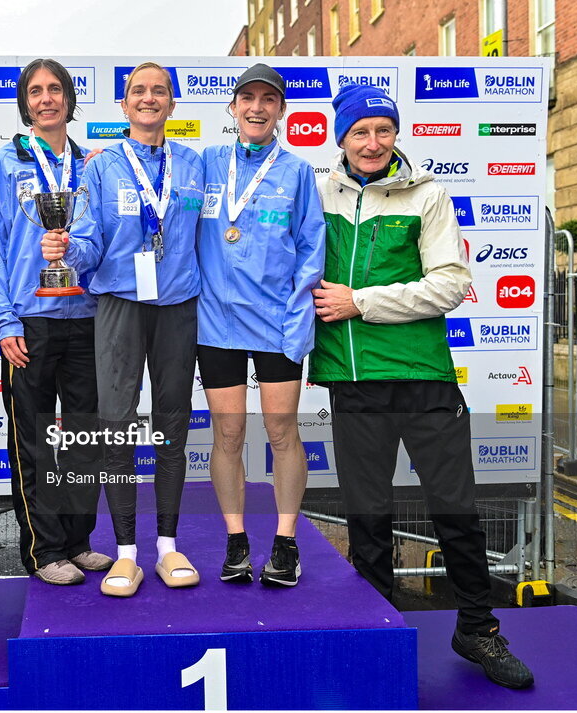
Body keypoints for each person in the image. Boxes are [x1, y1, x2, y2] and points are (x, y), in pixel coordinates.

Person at [308, 83, 534, 689]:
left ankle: (478, 629)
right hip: (353, 379)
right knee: (368, 514)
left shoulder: (428, 194)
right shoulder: (317, 190)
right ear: (342, 137)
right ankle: (378, 626)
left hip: (424, 374)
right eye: (361, 131)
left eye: (383, 130)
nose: (373, 142)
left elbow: (451, 284)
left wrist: (360, 302)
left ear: (395, 134)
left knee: (455, 510)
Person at [43, 62, 204, 597]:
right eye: (139, 91)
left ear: (173, 104)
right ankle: (127, 553)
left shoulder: (194, 164)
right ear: (124, 105)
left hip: (178, 305)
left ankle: (168, 545)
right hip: (117, 304)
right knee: (115, 427)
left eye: (160, 91)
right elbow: (90, 242)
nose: (149, 99)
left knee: (172, 425)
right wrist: (68, 250)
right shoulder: (102, 166)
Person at [0, 59, 112, 586]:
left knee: (83, 437)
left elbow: (103, 241)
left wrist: (75, 251)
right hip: (28, 322)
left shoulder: (93, 165)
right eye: (35, 91)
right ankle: (43, 549)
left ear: (69, 98)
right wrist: (4, 320)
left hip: (85, 317)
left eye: (55, 89)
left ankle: (78, 542)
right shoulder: (5, 164)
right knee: (32, 440)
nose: (46, 99)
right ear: (25, 102)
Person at [196, 64, 324, 586]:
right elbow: (156, 179)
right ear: (232, 107)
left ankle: (286, 542)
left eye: (267, 100)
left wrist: (298, 323)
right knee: (227, 433)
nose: (256, 107)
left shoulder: (296, 172)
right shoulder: (205, 162)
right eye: (246, 97)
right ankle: (235, 541)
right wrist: (106, 161)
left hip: (276, 324)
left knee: (280, 430)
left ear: (280, 111)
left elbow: (312, 250)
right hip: (215, 325)